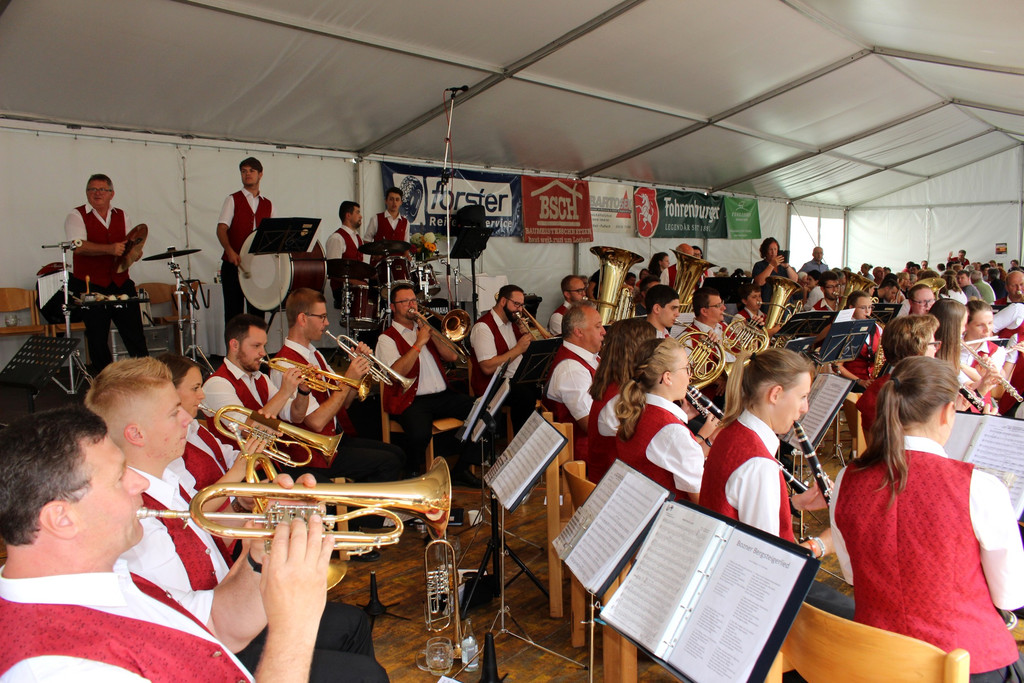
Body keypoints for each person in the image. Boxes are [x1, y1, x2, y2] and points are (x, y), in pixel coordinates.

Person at [82, 360, 386, 681]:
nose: (188, 418)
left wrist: (257, 522)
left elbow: (216, 554)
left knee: (354, 624)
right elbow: (202, 628)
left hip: (228, 612)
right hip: (210, 650)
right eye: (174, 413)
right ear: (136, 434)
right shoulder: (137, 522)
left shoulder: (172, 482)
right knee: (366, 674)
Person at [0, 405, 335, 683]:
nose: (140, 481)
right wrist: (295, 624)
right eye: (120, 476)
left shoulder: (104, 575)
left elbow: (217, 625)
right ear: (62, 518)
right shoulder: (56, 668)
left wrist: (259, 560)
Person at [832, 357, 1024, 679]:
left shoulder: (846, 478)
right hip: (964, 665)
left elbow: (853, 575)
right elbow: (1009, 595)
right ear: (949, 411)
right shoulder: (981, 487)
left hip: (876, 659)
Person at [699, 348, 854, 618]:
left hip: (725, 573)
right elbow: (769, 562)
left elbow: (741, 510)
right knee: (859, 620)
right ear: (775, 394)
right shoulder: (759, 464)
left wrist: (791, 503)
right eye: (803, 397)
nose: (805, 408)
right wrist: (823, 544)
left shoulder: (731, 432)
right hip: (748, 597)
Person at [272, 288, 403, 484]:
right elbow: (315, 422)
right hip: (311, 454)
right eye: (322, 317)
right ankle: (367, 513)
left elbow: (345, 403)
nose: (327, 323)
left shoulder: (314, 354)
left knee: (397, 453)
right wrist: (349, 377)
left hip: (333, 440)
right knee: (388, 462)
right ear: (302, 319)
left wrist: (355, 373)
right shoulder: (284, 364)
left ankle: (372, 509)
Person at [376, 284, 478, 485]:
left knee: (482, 411)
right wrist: (418, 343)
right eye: (404, 302)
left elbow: (451, 356)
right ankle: (411, 473)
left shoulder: (424, 329)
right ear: (393, 307)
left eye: (413, 300)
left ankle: (462, 468)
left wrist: (431, 333)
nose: (411, 305)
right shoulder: (386, 338)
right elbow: (397, 373)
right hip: (411, 399)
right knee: (419, 434)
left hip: (442, 396)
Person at [615, 339, 718, 502]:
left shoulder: (639, 409)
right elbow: (702, 501)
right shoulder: (673, 432)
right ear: (667, 377)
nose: (690, 376)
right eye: (686, 369)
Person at [63, 173, 149, 371]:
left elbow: (129, 244)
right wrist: (109, 249)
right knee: (97, 335)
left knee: (134, 332)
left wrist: (134, 253)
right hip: (90, 283)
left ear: (112, 194)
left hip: (119, 281)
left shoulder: (122, 215)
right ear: (86, 193)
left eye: (102, 189)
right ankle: (104, 379)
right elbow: (79, 246)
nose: (97, 193)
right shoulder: (76, 215)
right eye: (92, 189)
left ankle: (146, 374)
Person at [588, 318, 657, 483]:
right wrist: (705, 438)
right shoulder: (621, 400)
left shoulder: (616, 387)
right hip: (615, 487)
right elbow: (654, 449)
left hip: (617, 478)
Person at [856, 314, 940, 437]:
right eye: (933, 344)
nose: (936, 349)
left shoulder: (881, 386)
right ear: (918, 350)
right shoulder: (907, 390)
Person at [469, 284, 537, 431]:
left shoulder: (512, 323)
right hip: (494, 384)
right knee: (524, 395)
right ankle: (521, 442)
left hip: (516, 378)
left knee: (545, 385)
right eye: (516, 304)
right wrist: (518, 349)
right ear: (503, 301)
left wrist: (526, 335)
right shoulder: (483, 327)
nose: (520, 310)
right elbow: (487, 367)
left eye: (522, 305)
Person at [543, 302, 605, 460]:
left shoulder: (590, 357)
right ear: (579, 332)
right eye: (598, 327)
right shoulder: (572, 370)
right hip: (587, 454)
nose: (604, 332)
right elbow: (591, 425)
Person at [217, 157, 274, 323]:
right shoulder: (233, 199)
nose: (247, 174)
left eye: (251, 171)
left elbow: (271, 235)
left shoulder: (268, 204)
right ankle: (234, 348)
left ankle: (256, 348)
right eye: (244, 171)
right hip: (233, 265)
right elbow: (221, 228)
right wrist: (229, 251)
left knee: (257, 313)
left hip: (258, 267)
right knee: (234, 314)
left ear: (260, 174)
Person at [835, 290, 883, 392]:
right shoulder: (845, 330)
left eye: (870, 307)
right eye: (863, 308)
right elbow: (837, 366)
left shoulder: (878, 328)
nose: (868, 312)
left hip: (872, 380)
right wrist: (860, 381)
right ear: (852, 308)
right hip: (852, 384)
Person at [325, 201, 369, 308]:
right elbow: (332, 271)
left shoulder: (358, 238)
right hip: (344, 290)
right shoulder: (337, 238)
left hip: (357, 288)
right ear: (348, 215)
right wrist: (355, 282)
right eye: (357, 212)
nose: (361, 216)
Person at [751, 237, 798, 302]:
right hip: (768, 301)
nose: (773, 252)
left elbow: (795, 280)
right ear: (765, 251)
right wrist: (771, 265)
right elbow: (760, 282)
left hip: (784, 301)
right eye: (770, 250)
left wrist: (787, 266)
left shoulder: (782, 266)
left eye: (775, 249)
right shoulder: (759, 265)